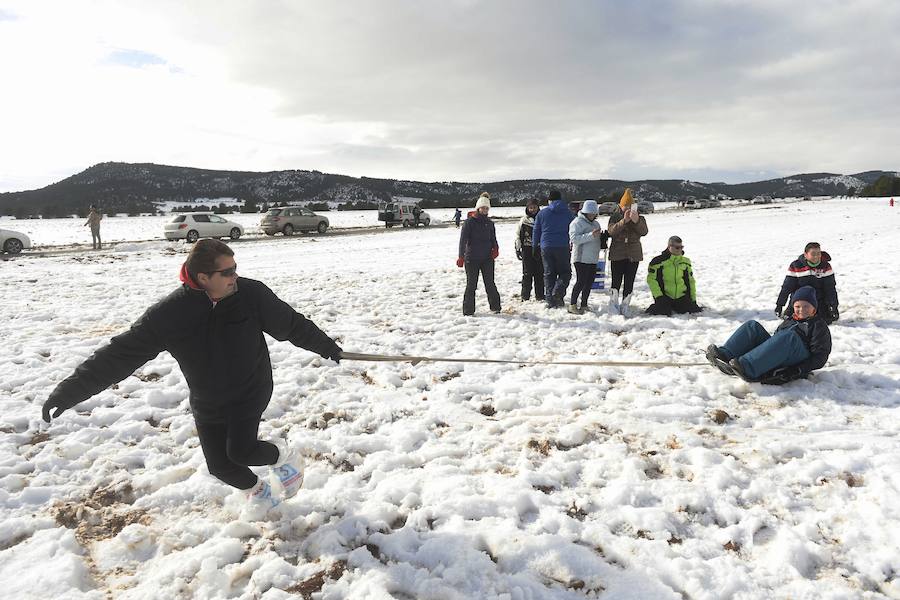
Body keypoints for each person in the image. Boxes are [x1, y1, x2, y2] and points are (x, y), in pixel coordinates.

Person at [41, 239, 342, 513]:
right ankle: (261, 492)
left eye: (235, 268)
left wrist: (327, 347)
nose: (234, 276)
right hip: (208, 399)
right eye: (226, 272)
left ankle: (285, 458)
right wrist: (68, 392)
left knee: (241, 450)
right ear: (203, 278)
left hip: (250, 388)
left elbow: (292, 325)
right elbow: (119, 354)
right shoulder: (170, 314)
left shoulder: (250, 294)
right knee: (220, 466)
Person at [706, 286, 831, 384]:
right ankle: (726, 355)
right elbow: (775, 342)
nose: (801, 309)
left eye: (806, 306)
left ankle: (747, 367)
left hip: (799, 361)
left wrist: (798, 369)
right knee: (752, 326)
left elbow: (820, 356)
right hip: (785, 352)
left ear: (813, 309)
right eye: (798, 306)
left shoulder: (818, 325)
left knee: (788, 336)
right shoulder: (788, 322)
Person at [457, 192, 501, 315]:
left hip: (487, 258)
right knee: (471, 285)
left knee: (490, 283)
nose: (485, 210)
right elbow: (463, 241)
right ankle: (468, 311)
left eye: (487, 208)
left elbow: (493, 238)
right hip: (472, 259)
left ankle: (495, 307)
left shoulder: (490, 223)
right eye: (483, 208)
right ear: (478, 208)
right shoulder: (469, 223)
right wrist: (461, 256)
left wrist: (496, 248)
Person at [775, 242, 839, 324]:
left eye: (818, 253)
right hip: (799, 299)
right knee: (793, 321)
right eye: (813, 254)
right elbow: (787, 287)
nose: (816, 256)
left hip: (818, 299)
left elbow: (830, 288)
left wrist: (833, 306)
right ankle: (792, 310)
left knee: (822, 321)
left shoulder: (825, 266)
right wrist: (780, 305)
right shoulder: (796, 266)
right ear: (805, 254)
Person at [607, 188, 648, 315]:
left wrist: (636, 221)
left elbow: (644, 232)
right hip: (617, 254)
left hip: (633, 254)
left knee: (629, 281)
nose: (627, 209)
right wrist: (623, 221)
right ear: (620, 206)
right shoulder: (614, 217)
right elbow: (611, 231)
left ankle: (625, 304)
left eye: (630, 206)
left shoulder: (640, 218)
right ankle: (613, 304)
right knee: (616, 280)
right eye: (625, 206)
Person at [533, 189, 575, 309]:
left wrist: (535, 246)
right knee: (565, 273)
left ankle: (550, 300)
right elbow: (574, 227)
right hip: (562, 246)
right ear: (560, 199)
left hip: (546, 246)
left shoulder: (542, 213)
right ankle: (558, 292)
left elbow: (536, 230)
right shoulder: (568, 212)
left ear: (549, 200)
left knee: (549, 274)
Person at [645, 236, 702, 316]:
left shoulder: (685, 261)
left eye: (681, 247)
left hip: (681, 296)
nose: (680, 250)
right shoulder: (658, 261)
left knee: (692, 310)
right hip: (665, 296)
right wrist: (658, 296)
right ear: (669, 247)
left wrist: (693, 299)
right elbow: (651, 280)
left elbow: (691, 281)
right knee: (664, 312)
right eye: (677, 247)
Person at [567, 200, 605, 314]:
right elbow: (574, 239)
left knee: (589, 282)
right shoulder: (576, 223)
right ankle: (572, 304)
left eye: (594, 214)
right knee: (581, 282)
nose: (592, 216)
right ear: (585, 213)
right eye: (590, 214)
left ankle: (584, 304)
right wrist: (591, 235)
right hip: (580, 258)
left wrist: (603, 239)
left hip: (593, 258)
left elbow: (596, 239)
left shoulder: (596, 224)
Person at [514, 200, 544, 302]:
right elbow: (518, 235)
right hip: (526, 249)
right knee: (527, 273)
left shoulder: (542, 219)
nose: (532, 210)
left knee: (539, 273)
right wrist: (518, 248)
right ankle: (525, 295)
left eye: (534, 207)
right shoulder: (523, 220)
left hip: (539, 249)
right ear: (527, 209)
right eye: (530, 208)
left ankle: (540, 295)